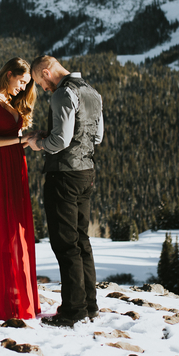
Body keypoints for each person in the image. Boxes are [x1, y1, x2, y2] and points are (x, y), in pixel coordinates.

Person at [27, 55, 104, 327]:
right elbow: (97, 137)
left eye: (40, 82)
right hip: (86, 173)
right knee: (82, 240)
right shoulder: (92, 92)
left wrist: (38, 142)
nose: (43, 89)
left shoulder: (64, 93)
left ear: (47, 72)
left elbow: (60, 141)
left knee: (65, 243)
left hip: (64, 174)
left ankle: (72, 311)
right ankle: (89, 305)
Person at [0, 57, 41, 321]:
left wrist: (32, 138)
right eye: (21, 81)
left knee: (18, 230)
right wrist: (20, 137)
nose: (23, 88)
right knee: (5, 231)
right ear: (9, 74)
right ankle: (3, 304)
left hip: (15, 168)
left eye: (27, 84)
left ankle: (18, 296)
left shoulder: (10, 102)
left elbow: (12, 140)